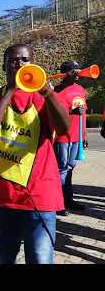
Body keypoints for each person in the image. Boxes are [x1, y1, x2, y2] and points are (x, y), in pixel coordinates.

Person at [0, 44, 69, 264]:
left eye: (24, 59)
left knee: (40, 258)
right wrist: (10, 90)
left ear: (33, 64)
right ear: (4, 65)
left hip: (40, 194)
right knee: (6, 256)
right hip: (3, 195)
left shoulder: (44, 97)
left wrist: (49, 94)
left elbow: (64, 128)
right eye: (13, 60)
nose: (19, 64)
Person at [53, 61, 88, 215]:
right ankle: (57, 203)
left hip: (76, 136)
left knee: (70, 168)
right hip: (62, 137)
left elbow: (84, 115)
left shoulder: (81, 90)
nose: (78, 74)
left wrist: (84, 135)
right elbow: (54, 115)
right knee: (61, 169)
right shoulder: (57, 91)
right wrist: (71, 112)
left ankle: (68, 199)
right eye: (74, 71)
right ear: (66, 73)